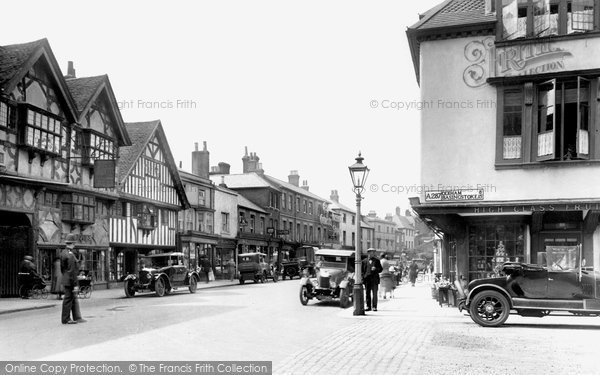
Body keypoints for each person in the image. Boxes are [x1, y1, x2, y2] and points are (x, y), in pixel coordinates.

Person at [60, 234, 85, 325]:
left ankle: (76, 317)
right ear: (73, 243)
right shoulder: (70, 255)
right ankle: (66, 319)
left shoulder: (63, 252)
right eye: (74, 243)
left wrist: (66, 276)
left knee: (72, 299)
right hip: (71, 280)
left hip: (66, 279)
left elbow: (63, 268)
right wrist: (75, 284)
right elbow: (72, 271)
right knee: (68, 299)